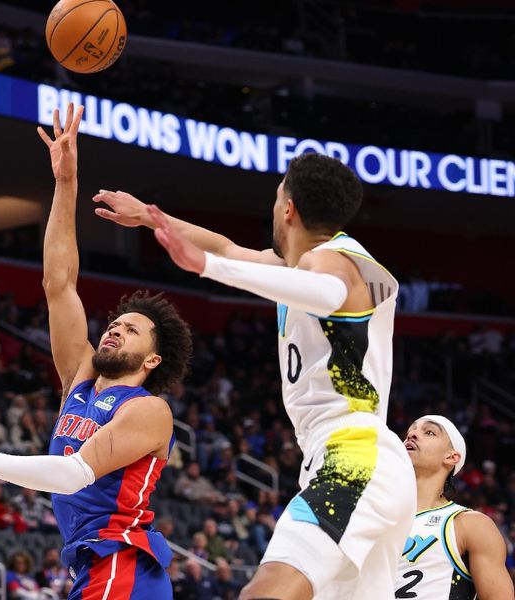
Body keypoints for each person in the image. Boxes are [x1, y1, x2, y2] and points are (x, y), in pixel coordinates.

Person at [0, 104, 193, 600]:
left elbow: (72, 476)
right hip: (92, 565)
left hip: (121, 563)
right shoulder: (80, 378)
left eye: (131, 331)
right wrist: (65, 183)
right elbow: (59, 283)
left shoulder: (150, 412)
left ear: (152, 360)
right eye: (114, 323)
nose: (114, 331)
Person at [95, 152, 415, 599]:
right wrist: (152, 218)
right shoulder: (299, 265)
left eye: (276, 196)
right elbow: (226, 247)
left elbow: (328, 291)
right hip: (356, 459)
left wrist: (209, 269)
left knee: (264, 593)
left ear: (288, 209)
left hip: (356, 458)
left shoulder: (334, 261)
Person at [396, 415, 513, 599]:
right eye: (410, 431)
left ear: (452, 457)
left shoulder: (468, 524)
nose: (412, 435)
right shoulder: (377, 517)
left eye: (429, 432)